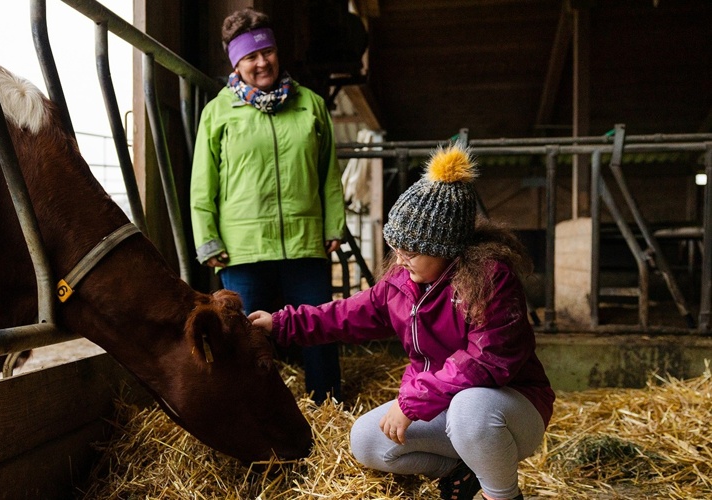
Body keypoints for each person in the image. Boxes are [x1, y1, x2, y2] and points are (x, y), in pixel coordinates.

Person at [250, 143, 555, 500]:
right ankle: (460, 471)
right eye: (397, 247)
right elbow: (346, 315)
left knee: (469, 407)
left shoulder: (490, 279)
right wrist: (281, 323)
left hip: (509, 408)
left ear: (448, 247)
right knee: (366, 440)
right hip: (440, 405)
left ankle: (502, 494)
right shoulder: (402, 283)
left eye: (412, 251)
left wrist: (411, 401)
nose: (401, 259)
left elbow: (487, 360)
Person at [189, 8, 346, 405]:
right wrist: (207, 239)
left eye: (268, 52)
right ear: (236, 64)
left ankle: (327, 406)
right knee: (245, 339)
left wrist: (333, 226)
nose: (262, 63)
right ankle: (256, 412)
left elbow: (328, 172)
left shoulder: (310, 105)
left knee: (319, 329)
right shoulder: (218, 112)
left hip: (304, 238)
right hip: (242, 248)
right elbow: (202, 183)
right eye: (250, 57)